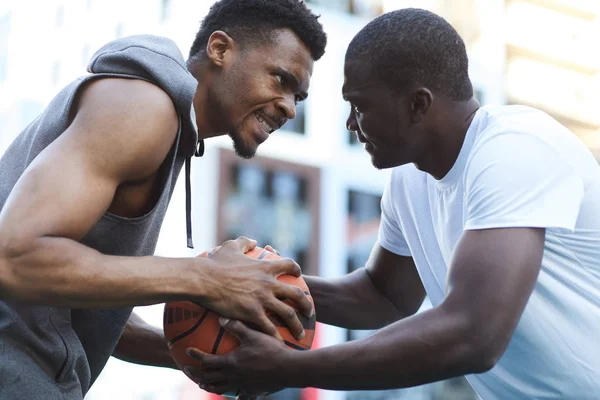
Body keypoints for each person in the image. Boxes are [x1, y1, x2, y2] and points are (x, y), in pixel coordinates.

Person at [187, 8, 600, 400]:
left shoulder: (514, 149)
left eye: (360, 106)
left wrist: (291, 368)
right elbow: (382, 296)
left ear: (418, 104)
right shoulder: (410, 177)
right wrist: (257, 284)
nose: (351, 123)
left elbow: (474, 334)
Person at [0, 1, 326, 399]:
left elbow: (71, 308)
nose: (290, 109)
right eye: (280, 80)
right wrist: (206, 278)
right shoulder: (144, 108)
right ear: (220, 49)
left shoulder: (167, 127)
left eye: (299, 97)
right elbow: (14, 259)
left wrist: (208, 355)